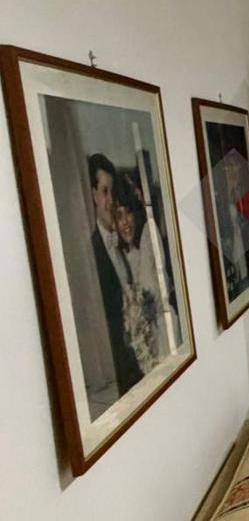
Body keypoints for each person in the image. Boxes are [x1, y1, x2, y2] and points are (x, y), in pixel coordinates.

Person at [88, 154, 143, 393]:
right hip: (120, 376)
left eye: (112, 192)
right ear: (93, 195)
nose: (110, 200)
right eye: (104, 192)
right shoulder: (91, 252)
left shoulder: (124, 241)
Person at [114, 177, 170, 373]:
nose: (125, 222)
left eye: (128, 212)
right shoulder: (121, 258)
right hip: (141, 348)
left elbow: (156, 291)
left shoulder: (148, 235)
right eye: (119, 215)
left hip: (163, 334)